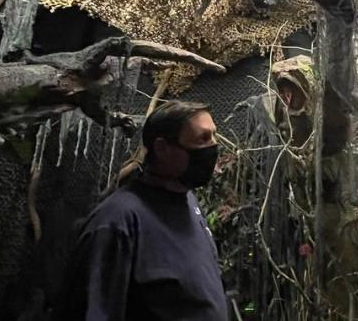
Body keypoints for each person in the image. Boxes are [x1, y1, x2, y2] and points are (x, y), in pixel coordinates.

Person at [53, 101, 228, 321]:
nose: (213, 147)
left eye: (213, 136)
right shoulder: (117, 221)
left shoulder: (188, 201)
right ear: (162, 148)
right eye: (202, 139)